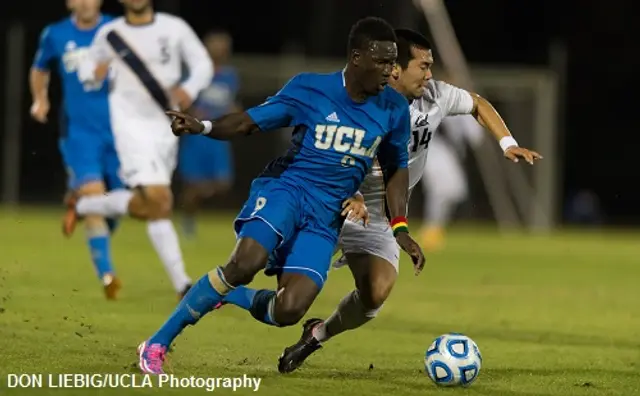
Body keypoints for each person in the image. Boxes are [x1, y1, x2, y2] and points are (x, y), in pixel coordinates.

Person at [136, 16, 425, 375]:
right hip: (287, 189)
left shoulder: (394, 109)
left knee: (287, 311)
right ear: (356, 58)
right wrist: (203, 126)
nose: (390, 71)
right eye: (382, 61)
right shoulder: (311, 89)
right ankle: (157, 343)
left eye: (393, 62)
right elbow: (248, 122)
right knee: (245, 263)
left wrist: (400, 228)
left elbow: (397, 168)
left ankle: (222, 295)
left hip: (326, 217)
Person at [276, 28, 542, 374]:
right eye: (424, 66)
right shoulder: (363, 100)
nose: (431, 74)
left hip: (383, 215)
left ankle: (316, 335)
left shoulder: (435, 96)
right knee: (289, 300)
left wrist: (508, 144)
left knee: (376, 294)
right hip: (329, 203)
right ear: (396, 69)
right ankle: (217, 295)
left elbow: (477, 103)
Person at [64, 0, 214, 298]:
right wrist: (95, 71)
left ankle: (84, 205)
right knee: (161, 199)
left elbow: (203, 64)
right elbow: (85, 69)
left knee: (153, 205)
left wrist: (189, 88)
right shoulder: (111, 34)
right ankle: (184, 286)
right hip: (130, 128)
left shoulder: (174, 27)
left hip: (166, 128)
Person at [30, 0, 123, 299]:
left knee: (120, 203)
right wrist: (40, 98)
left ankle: (78, 205)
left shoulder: (116, 29)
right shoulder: (55, 34)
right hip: (79, 134)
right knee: (96, 197)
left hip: (120, 133)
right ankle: (108, 276)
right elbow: (39, 68)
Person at [177, 29, 239, 238]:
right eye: (216, 46)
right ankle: (188, 220)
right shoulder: (196, 73)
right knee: (192, 182)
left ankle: (196, 198)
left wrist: (235, 114)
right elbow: (181, 101)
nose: (221, 50)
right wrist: (191, 114)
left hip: (219, 135)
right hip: (197, 137)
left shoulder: (230, 76)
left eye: (224, 47)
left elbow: (230, 102)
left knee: (223, 183)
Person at [419, 114, 484, 251]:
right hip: (432, 147)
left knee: (455, 192)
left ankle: (434, 229)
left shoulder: (461, 104)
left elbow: (475, 135)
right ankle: (431, 231)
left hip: (447, 151)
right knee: (442, 190)